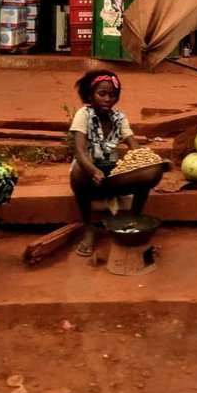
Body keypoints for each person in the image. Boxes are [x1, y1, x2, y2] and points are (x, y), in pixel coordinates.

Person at [69, 70, 147, 256]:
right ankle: (89, 229)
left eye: (112, 95)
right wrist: (93, 171)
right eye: (101, 94)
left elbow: (134, 147)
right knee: (79, 171)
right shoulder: (84, 114)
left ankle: (133, 220)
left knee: (145, 173)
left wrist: (150, 164)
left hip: (111, 173)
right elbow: (79, 151)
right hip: (87, 171)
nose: (107, 99)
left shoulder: (119, 119)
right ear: (90, 95)